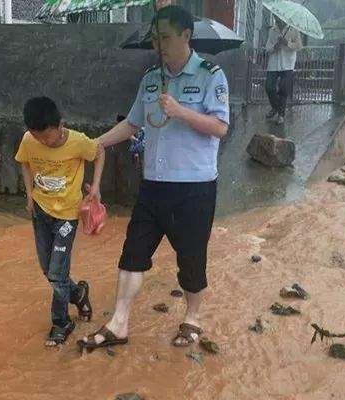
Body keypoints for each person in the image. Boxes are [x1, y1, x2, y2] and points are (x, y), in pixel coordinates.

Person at [78, 5, 230, 350]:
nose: (158, 44)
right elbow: (133, 123)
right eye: (155, 38)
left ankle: (192, 319)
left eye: (165, 37)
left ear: (186, 36)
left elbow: (220, 127)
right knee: (132, 253)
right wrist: (95, 142)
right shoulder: (150, 79)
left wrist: (181, 112)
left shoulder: (210, 75)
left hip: (194, 188)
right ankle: (119, 323)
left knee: (191, 259)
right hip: (153, 186)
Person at [14, 96, 105, 347]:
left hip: (67, 215)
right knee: (48, 269)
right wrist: (30, 194)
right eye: (38, 137)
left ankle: (61, 322)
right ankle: (78, 293)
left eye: (48, 137)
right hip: (41, 212)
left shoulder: (78, 142)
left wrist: (95, 188)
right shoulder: (28, 140)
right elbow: (23, 162)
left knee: (56, 272)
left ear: (60, 125)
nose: (43, 142)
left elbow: (100, 152)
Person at [264, 16, 303, 125]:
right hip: (273, 63)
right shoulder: (272, 31)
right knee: (269, 87)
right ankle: (275, 107)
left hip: (288, 64)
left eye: (279, 19)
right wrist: (274, 47)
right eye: (276, 18)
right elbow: (267, 47)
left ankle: (281, 115)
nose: (278, 20)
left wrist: (287, 43)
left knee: (283, 89)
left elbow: (299, 46)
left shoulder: (294, 30)